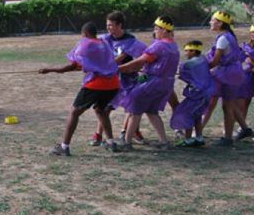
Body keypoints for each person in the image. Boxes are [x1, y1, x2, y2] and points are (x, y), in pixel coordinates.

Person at [40, 22, 120, 156]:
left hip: (97, 84)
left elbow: (73, 66)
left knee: (74, 112)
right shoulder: (104, 42)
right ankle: (111, 143)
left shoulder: (86, 44)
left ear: (86, 34)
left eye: (82, 35)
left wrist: (50, 70)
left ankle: (64, 147)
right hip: (113, 84)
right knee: (100, 110)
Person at [118, 16, 180, 150]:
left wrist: (117, 68)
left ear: (164, 30)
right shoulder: (173, 45)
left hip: (152, 82)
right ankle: (164, 142)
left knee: (135, 109)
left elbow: (139, 62)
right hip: (166, 84)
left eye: (157, 29)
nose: (154, 31)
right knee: (152, 112)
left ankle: (127, 142)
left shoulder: (159, 45)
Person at [90, 11, 147, 146]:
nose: (108, 28)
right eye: (107, 25)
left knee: (133, 108)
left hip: (128, 80)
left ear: (120, 25)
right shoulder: (105, 39)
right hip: (111, 80)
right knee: (105, 108)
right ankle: (98, 135)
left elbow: (141, 56)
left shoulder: (130, 40)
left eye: (111, 25)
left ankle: (132, 132)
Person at [201, 11, 251, 146]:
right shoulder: (229, 36)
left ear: (220, 23)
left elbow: (215, 61)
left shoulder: (222, 39)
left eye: (213, 20)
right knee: (230, 103)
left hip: (227, 74)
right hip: (233, 73)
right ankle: (244, 129)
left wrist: (201, 68)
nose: (210, 22)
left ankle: (228, 138)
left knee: (227, 105)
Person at [170, 40, 213, 147]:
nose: (185, 53)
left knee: (187, 114)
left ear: (193, 51)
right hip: (206, 93)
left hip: (197, 95)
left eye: (187, 51)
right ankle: (199, 137)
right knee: (197, 115)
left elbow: (183, 73)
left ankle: (188, 139)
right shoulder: (203, 59)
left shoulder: (190, 63)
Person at [234, 24, 254, 139]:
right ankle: (242, 127)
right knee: (243, 103)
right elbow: (240, 60)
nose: (253, 35)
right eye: (252, 32)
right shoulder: (245, 47)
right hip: (247, 79)